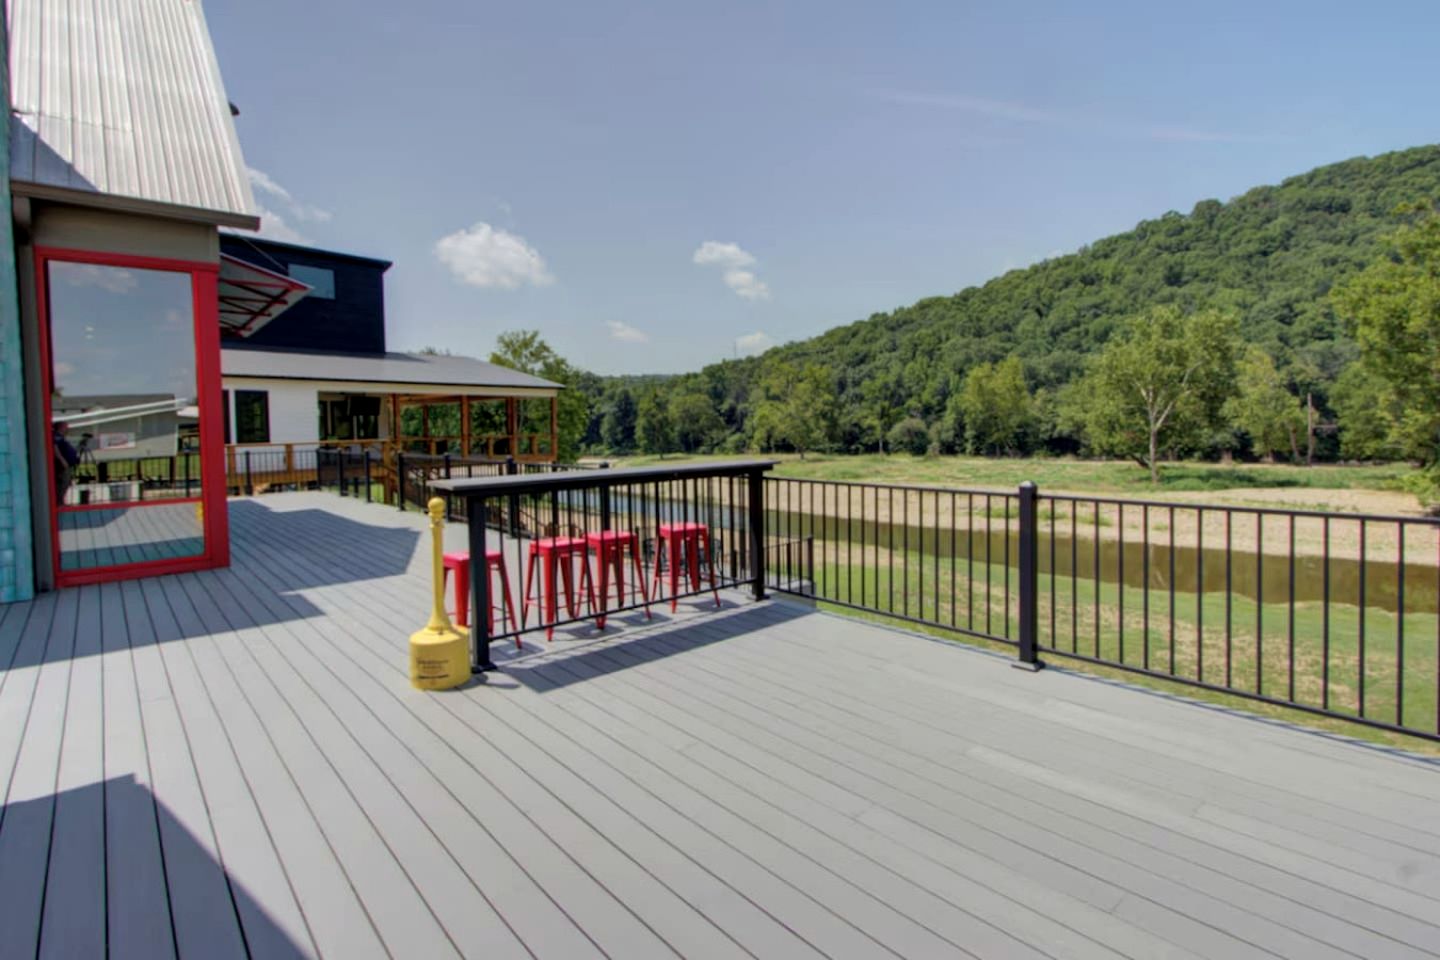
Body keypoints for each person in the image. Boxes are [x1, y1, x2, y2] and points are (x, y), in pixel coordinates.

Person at [52, 420, 80, 504]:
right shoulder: (56, 436)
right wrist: (62, 460)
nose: (67, 429)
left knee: (66, 483)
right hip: (63, 465)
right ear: (61, 427)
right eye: (66, 427)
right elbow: (55, 449)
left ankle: (61, 500)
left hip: (68, 465)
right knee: (62, 483)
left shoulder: (61, 438)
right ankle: (59, 502)